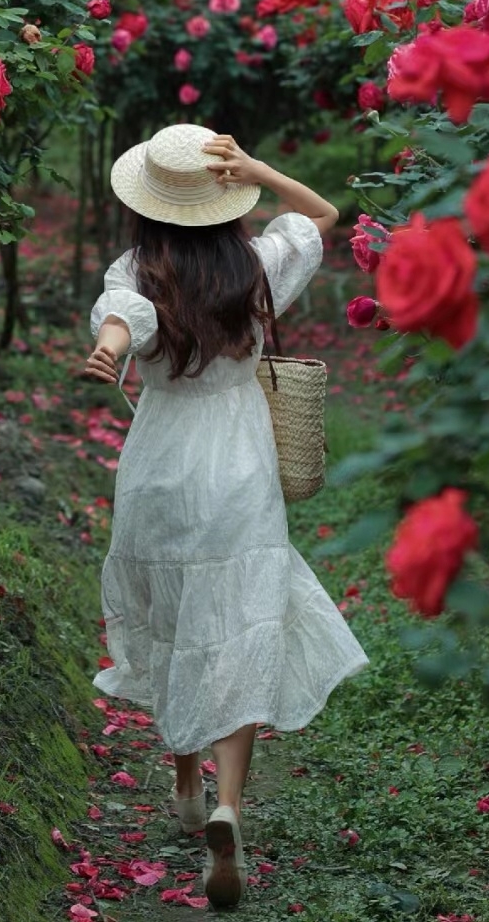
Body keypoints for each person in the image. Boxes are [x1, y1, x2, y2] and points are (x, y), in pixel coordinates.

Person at [83, 123, 369, 909]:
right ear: (224, 199)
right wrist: (256, 167)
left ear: (149, 205)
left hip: (159, 466)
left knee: (172, 616)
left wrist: (111, 351)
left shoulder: (137, 268)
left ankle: (182, 782)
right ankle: (227, 805)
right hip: (239, 464)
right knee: (239, 618)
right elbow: (321, 215)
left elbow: (123, 316)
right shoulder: (256, 264)